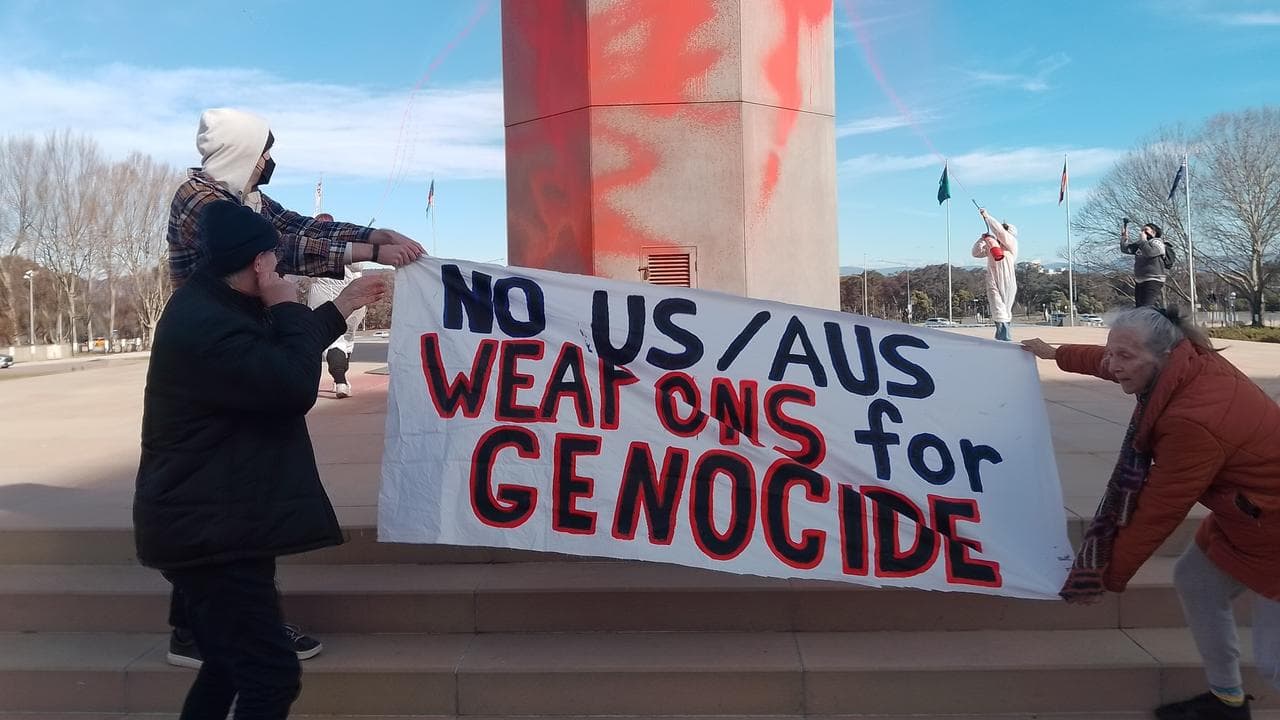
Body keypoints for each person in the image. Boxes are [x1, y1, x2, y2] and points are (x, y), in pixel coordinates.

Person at [163, 108, 425, 667]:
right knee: (231, 502)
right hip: (222, 357)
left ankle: (206, 625)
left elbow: (300, 229)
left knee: (239, 498)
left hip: (238, 352)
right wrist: (368, 254)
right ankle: (228, 630)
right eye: (264, 151)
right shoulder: (202, 202)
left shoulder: (244, 204)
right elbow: (279, 248)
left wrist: (374, 236)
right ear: (243, 153)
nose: (269, 163)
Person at [136, 201, 387, 719]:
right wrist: (288, 305)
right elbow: (291, 384)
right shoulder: (206, 323)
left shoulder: (212, 306)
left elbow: (274, 355)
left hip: (214, 523)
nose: (279, 268)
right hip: (211, 533)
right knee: (271, 676)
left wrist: (343, 305)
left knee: (228, 664)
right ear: (256, 263)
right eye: (273, 258)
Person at [1022, 307, 1280, 720]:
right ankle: (1228, 703)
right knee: (1196, 580)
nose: (1113, 365)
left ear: (1161, 355)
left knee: (1274, 660)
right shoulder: (1184, 363)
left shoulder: (1192, 420)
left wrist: (1108, 575)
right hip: (1249, 519)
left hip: (1272, 533)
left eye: (1124, 357)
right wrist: (1056, 354)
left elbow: (1159, 509)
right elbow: (1112, 361)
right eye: (1112, 354)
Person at [306, 213, 364, 398]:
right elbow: (359, 267)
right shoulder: (348, 247)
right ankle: (340, 379)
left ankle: (340, 380)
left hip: (324, 299)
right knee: (346, 340)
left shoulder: (309, 248)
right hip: (353, 298)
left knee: (333, 341)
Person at [973, 208, 1018, 341]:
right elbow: (975, 253)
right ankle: (1003, 337)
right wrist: (982, 240)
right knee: (998, 308)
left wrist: (987, 217)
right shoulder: (993, 248)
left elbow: (999, 231)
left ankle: (1004, 336)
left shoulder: (1011, 244)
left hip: (1008, 279)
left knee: (1005, 310)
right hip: (993, 279)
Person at [1122, 220, 1167, 308]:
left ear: (1153, 232)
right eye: (1142, 230)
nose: (1142, 232)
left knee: (1147, 307)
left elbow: (1150, 252)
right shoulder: (1141, 244)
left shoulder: (1157, 242)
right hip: (1140, 280)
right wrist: (1124, 237)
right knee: (1140, 308)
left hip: (1154, 279)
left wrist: (1143, 240)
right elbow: (1125, 249)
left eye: (1145, 230)